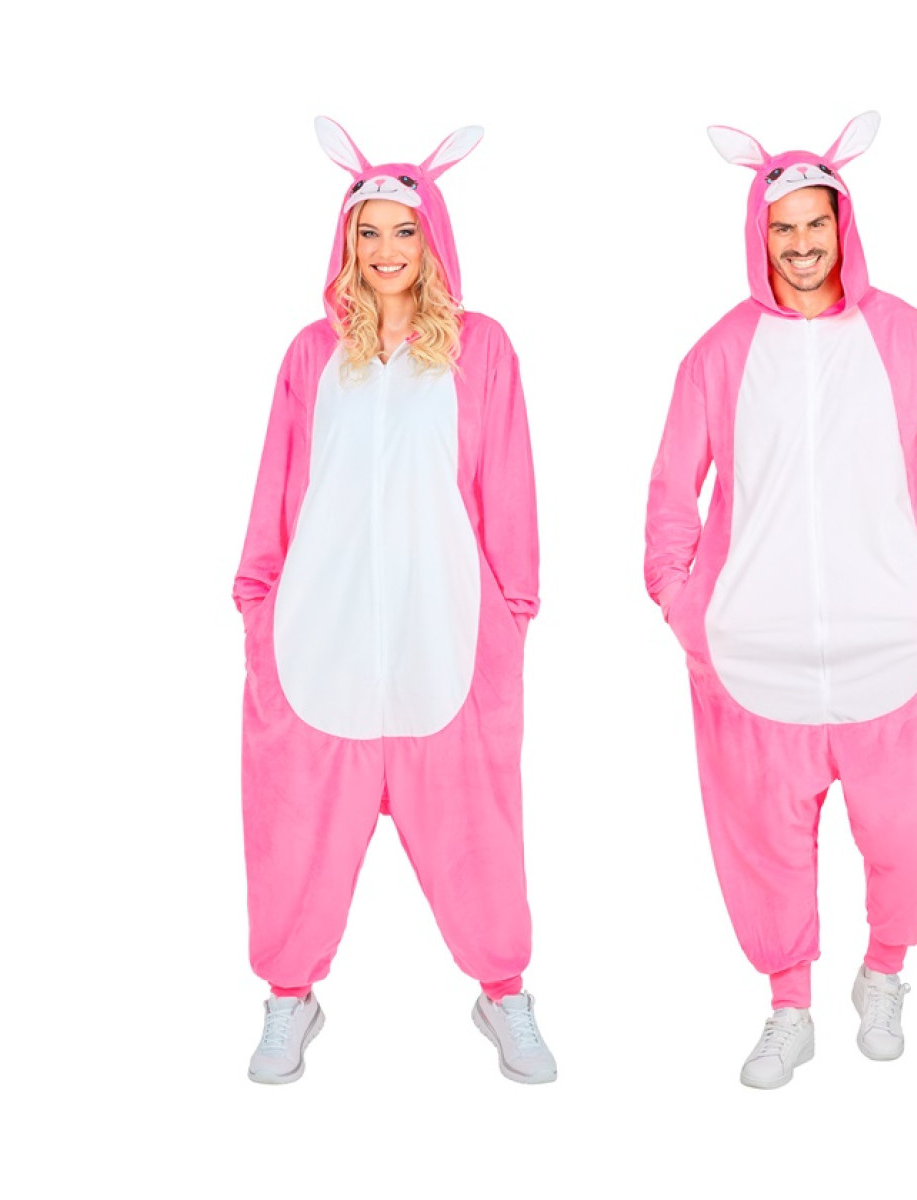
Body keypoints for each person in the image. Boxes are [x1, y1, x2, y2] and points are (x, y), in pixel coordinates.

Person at [644, 111, 917, 1089]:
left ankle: (882, 975)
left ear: (844, 225)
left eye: (816, 224)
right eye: (782, 228)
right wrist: (684, 606)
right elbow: (672, 494)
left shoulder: (911, 339)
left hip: (899, 644)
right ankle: (788, 1008)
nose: (801, 245)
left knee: (909, 836)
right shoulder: (718, 353)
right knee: (765, 843)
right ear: (758, 235)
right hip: (752, 652)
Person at [234, 118, 555, 1085]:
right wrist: (258, 605)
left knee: (477, 832)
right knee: (294, 829)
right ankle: (288, 998)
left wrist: (511, 617)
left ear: (433, 238)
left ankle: (505, 994)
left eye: (403, 232)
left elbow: (508, 486)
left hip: (447, 639)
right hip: (315, 640)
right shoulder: (311, 356)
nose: (385, 251)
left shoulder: (481, 350)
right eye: (368, 233)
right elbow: (277, 486)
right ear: (347, 243)